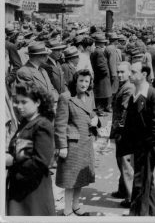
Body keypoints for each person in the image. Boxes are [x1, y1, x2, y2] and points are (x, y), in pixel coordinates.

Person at [117, 63, 155, 216]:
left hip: (148, 146)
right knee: (147, 181)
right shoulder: (136, 93)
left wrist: (143, 146)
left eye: (133, 72)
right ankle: (152, 213)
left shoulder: (153, 95)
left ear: (144, 75)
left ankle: (137, 214)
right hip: (140, 145)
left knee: (140, 182)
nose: (130, 75)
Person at [6, 82, 56, 216]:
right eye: (17, 102)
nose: (19, 106)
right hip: (21, 191)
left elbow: (40, 162)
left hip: (34, 193)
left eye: (24, 102)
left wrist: (13, 161)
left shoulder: (42, 125)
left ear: (37, 102)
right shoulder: (26, 123)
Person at [54, 69, 98, 216]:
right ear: (75, 81)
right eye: (81, 81)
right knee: (69, 179)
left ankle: (76, 206)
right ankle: (67, 210)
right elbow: (60, 124)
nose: (84, 84)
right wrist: (62, 146)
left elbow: (92, 113)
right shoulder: (66, 97)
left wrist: (96, 119)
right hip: (72, 144)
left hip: (86, 142)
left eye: (87, 81)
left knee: (81, 177)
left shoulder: (89, 96)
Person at [109, 62, 135, 208]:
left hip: (124, 132)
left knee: (125, 163)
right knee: (121, 161)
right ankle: (123, 189)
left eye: (122, 72)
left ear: (130, 72)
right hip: (121, 130)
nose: (119, 75)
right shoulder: (125, 85)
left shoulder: (128, 87)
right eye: (118, 72)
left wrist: (120, 129)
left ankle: (130, 197)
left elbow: (125, 111)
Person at [90, 34, 112, 116]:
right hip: (101, 77)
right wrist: (105, 72)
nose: (104, 44)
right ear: (100, 43)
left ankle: (101, 110)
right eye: (103, 42)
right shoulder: (99, 51)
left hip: (99, 76)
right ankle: (100, 111)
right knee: (101, 94)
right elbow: (101, 65)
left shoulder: (96, 51)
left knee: (101, 93)